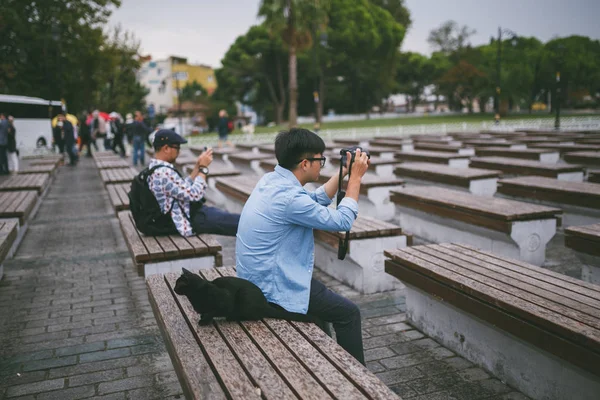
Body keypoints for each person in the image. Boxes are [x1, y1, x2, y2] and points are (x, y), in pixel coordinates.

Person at [236, 128, 370, 365]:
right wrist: (356, 179)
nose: (323, 165)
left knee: (322, 312)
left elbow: (312, 200)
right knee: (349, 313)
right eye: (321, 160)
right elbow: (343, 221)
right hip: (273, 288)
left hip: (257, 278)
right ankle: (359, 380)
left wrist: (345, 173)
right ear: (305, 163)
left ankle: (333, 370)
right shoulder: (289, 198)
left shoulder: (271, 180)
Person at [148, 129, 240, 236]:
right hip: (187, 220)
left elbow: (180, 188)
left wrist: (197, 167)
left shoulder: (155, 167)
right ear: (166, 148)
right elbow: (195, 195)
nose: (179, 151)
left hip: (186, 212)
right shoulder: (164, 172)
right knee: (238, 223)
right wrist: (203, 169)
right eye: (177, 148)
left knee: (230, 219)